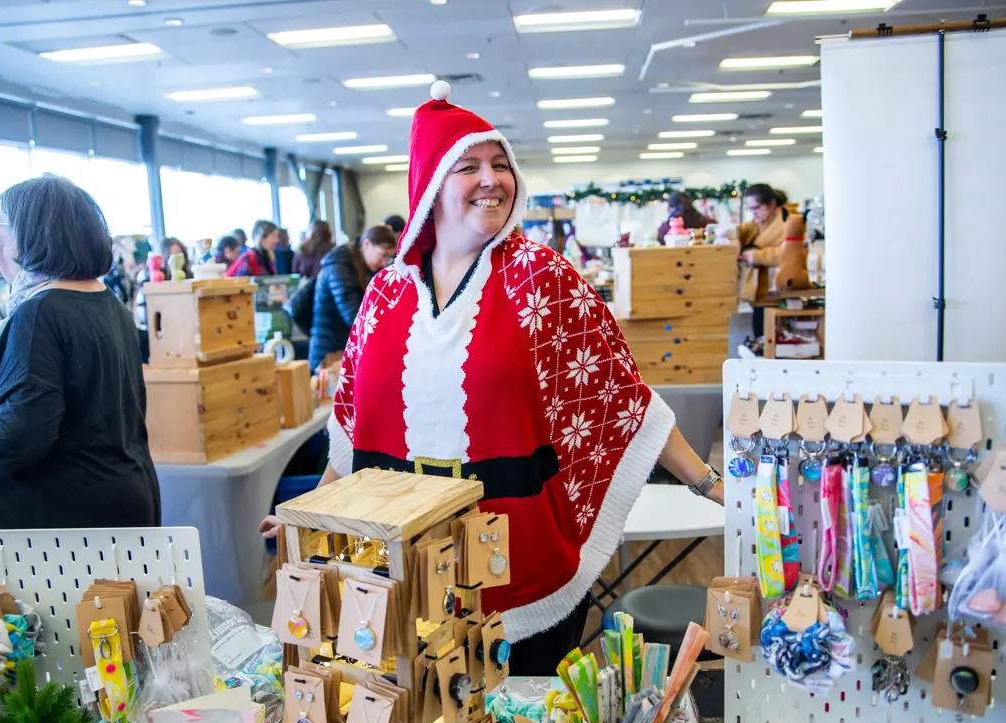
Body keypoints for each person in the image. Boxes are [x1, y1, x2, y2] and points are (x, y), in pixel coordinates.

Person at [259, 82, 723, 676]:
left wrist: (709, 483)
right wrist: (312, 510)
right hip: (400, 565)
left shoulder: (541, 280)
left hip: (518, 561)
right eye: (469, 166)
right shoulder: (384, 295)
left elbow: (619, 400)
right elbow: (351, 430)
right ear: (429, 184)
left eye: (501, 164)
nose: (491, 179)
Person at [0, 174, 160, 530]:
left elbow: (14, 442)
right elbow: (79, 388)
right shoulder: (104, 302)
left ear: (26, 237)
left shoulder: (39, 312)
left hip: (63, 527)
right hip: (118, 501)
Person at [307, 225, 398, 371]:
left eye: (389, 258)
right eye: (383, 255)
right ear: (367, 244)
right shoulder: (339, 267)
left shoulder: (361, 268)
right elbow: (353, 315)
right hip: (328, 352)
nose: (383, 262)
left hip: (343, 348)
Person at [735, 183, 790, 344]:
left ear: (772, 203)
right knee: (760, 339)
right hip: (760, 294)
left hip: (775, 295)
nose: (754, 213)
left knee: (769, 342)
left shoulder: (787, 222)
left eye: (757, 208)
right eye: (751, 209)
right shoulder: (759, 222)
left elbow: (789, 254)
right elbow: (742, 230)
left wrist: (757, 255)